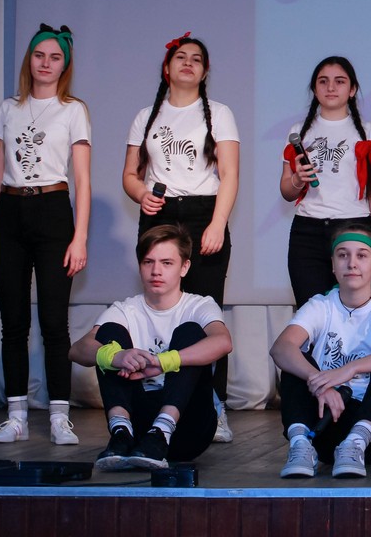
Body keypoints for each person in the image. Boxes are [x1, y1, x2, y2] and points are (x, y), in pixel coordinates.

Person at [0, 24, 91, 445]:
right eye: (40, 55)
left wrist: (79, 237)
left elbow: (82, 180)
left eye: (55, 57)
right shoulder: (9, 108)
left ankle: (59, 416)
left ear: (65, 65)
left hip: (53, 212)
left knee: (54, 322)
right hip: (10, 214)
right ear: (30, 59)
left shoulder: (73, 110)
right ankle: (15, 415)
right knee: (13, 323)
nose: (46, 64)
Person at [122, 32, 239, 442]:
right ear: (167, 68)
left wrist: (218, 223)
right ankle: (158, 400)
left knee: (207, 316)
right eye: (181, 57)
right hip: (160, 214)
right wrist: (141, 194)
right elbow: (130, 175)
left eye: (197, 59)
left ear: (205, 72)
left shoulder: (219, 113)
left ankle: (214, 407)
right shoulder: (145, 116)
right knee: (159, 308)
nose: (188, 63)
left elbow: (230, 175)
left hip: (204, 213)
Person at [70, 225, 233, 471]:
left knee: (190, 332)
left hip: (189, 426)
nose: (156, 271)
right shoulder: (125, 309)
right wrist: (116, 356)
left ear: (184, 267)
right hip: (140, 427)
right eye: (148, 262)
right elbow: (77, 350)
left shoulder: (198, 306)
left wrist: (161, 361)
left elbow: (223, 342)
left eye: (167, 263)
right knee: (109, 335)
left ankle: (162, 431)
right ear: (140, 266)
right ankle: (121, 432)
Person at [270, 225, 371, 479]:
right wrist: (320, 383)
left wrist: (349, 370)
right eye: (342, 255)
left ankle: (356, 443)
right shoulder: (320, 305)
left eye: (362, 255)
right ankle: (301, 445)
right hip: (328, 425)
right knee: (295, 361)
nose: (351, 263)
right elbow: (281, 348)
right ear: (333, 264)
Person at [279, 56, 371, 306]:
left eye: (339, 81)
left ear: (352, 90)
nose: (330, 87)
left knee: (354, 312)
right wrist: (297, 179)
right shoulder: (298, 132)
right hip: (307, 232)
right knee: (310, 313)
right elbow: (286, 191)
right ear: (314, 88)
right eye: (323, 81)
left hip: (354, 229)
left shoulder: (370, 132)